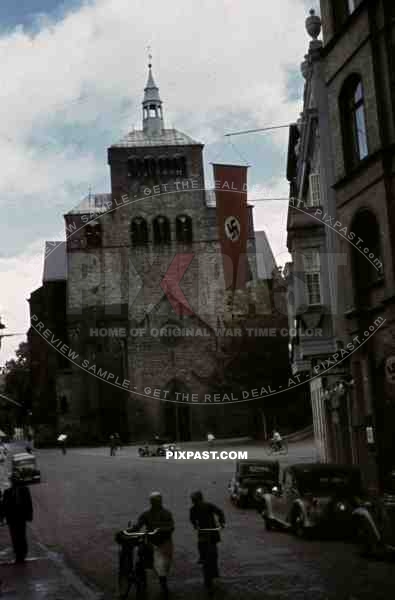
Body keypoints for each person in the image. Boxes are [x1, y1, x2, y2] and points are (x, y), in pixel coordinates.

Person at [135, 492, 174, 598]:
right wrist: (133, 529)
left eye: (156, 501)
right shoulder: (146, 514)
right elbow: (139, 524)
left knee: (162, 565)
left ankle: (163, 584)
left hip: (163, 542)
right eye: (153, 501)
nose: (155, 503)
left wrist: (161, 529)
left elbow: (171, 527)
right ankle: (140, 579)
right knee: (141, 557)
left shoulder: (166, 513)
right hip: (151, 542)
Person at [0, 474, 33, 563]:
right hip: (11, 518)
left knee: (21, 535)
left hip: (21, 517)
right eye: (12, 480)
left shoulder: (24, 490)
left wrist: (29, 515)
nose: (14, 482)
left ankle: (22, 553)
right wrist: (2, 516)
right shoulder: (7, 492)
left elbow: (29, 503)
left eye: (15, 480)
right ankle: (18, 553)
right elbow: (4, 506)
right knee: (14, 536)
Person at [190, 491, 225, 572]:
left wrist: (221, 522)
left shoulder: (208, 506)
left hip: (211, 529)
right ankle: (202, 557)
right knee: (200, 544)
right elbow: (192, 519)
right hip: (203, 530)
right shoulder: (193, 509)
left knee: (212, 546)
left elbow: (219, 512)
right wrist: (195, 525)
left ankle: (205, 557)